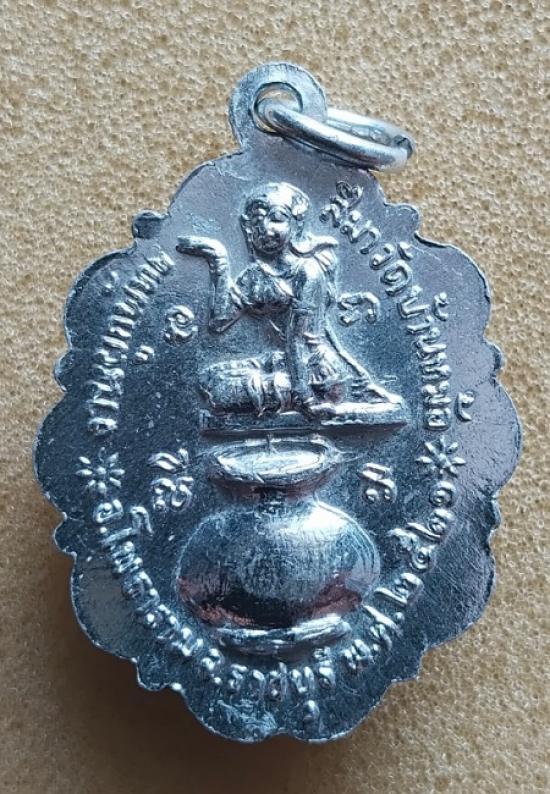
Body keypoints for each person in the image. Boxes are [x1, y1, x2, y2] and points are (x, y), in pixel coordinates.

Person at [176, 182, 401, 421]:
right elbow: (219, 322)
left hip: (319, 376)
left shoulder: (308, 272)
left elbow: (298, 340)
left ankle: (291, 397)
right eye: (257, 220)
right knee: (208, 380)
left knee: (221, 394)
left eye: (276, 218)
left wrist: (306, 400)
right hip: (282, 363)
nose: (265, 228)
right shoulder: (255, 275)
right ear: (246, 226)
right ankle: (279, 392)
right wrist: (218, 258)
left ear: (296, 224)